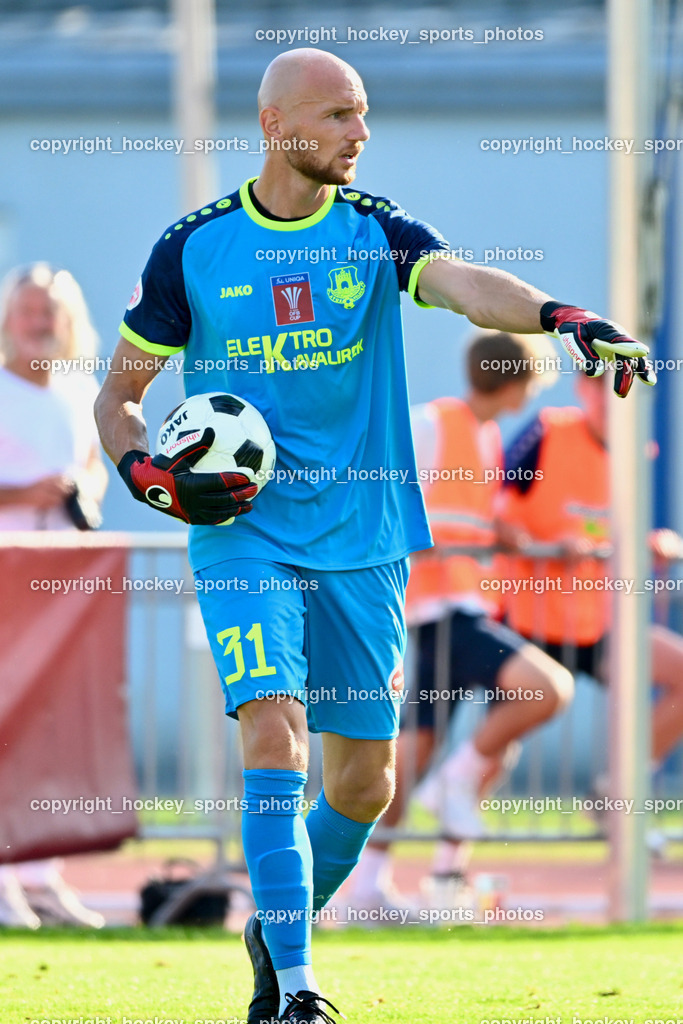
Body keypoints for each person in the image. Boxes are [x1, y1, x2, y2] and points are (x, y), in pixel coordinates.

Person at [94, 48, 653, 1024]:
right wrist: (146, 476)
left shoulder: (376, 233)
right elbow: (120, 394)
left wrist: (558, 316)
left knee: (365, 782)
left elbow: (468, 285)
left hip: (363, 540)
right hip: (244, 534)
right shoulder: (191, 249)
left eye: (363, 114)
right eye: (340, 115)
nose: (360, 132)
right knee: (275, 727)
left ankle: (274, 923)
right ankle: (299, 988)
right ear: (276, 126)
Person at [347, 331, 574, 914]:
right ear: (517, 382)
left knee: (409, 754)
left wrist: (501, 534)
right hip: (435, 611)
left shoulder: (487, 436)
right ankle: (456, 785)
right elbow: (383, 490)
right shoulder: (431, 423)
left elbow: (468, 514)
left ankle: (370, 886)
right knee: (547, 690)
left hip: (458, 610)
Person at [495, 371, 683, 777]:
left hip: (596, 622)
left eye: (620, 383)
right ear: (582, 387)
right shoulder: (548, 430)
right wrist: (543, 542)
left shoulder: (637, 452)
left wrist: (655, 543)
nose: (608, 393)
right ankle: (439, 824)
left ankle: (618, 793)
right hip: (529, 619)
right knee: (496, 744)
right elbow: (497, 512)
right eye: (597, 382)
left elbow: (617, 530)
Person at [0, 261, 108, 928]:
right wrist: (20, 496)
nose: (40, 324)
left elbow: (92, 477)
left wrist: (76, 499)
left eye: (51, 313)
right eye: (30, 311)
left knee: (52, 731)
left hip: (61, 585)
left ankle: (40, 873)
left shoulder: (78, 392)